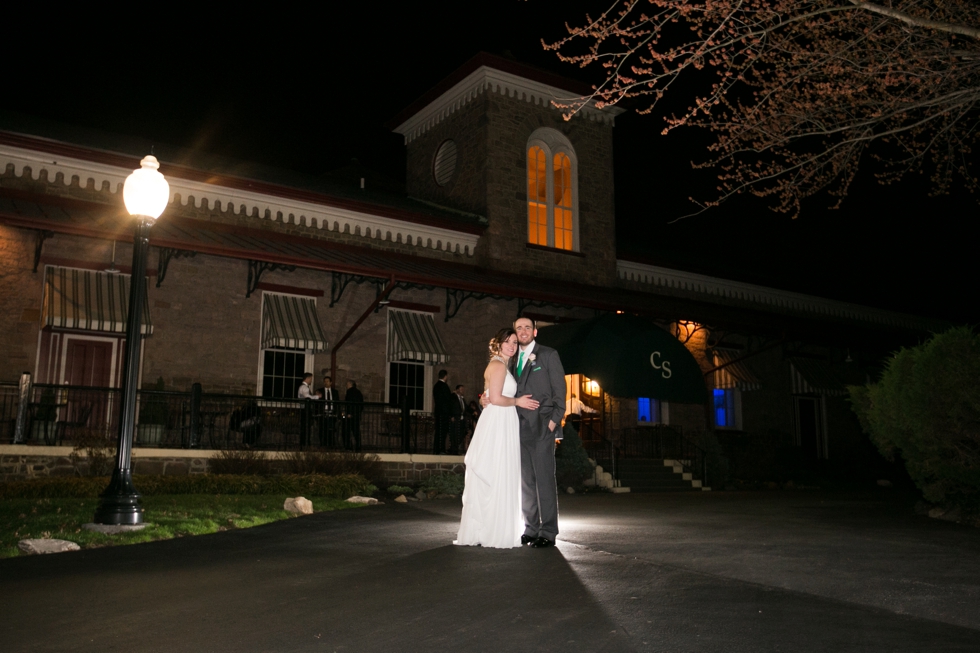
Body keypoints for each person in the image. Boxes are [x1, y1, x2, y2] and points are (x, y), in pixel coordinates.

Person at [456, 328, 539, 549]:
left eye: (514, 342)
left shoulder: (499, 365)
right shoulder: (499, 365)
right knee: (498, 470)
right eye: (508, 342)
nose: (512, 346)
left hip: (500, 419)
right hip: (500, 421)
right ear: (499, 344)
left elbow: (487, 396)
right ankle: (494, 530)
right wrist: (518, 401)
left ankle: (489, 527)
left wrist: (487, 399)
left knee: (497, 470)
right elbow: (495, 397)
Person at [513, 316, 566, 548]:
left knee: (544, 479)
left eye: (527, 327)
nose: (523, 331)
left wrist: (553, 423)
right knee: (526, 481)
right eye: (518, 328)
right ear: (515, 333)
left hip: (543, 425)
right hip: (518, 427)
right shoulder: (511, 358)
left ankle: (548, 531)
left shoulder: (548, 354)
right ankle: (531, 528)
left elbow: (559, 393)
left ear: (535, 332)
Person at [432, 369, 453, 455]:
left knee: (438, 431)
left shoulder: (436, 386)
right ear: (445, 376)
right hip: (444, 413)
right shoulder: (444, 386)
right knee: (443, 431)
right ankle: (441, 449)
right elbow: (448, 399)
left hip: (438, 411)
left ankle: (436, 449)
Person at [297, 373, 320, 447]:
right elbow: (307, 397)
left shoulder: (302, 387)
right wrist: (317, 396)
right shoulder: (304, 387)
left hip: (304, 409)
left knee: (305, 426)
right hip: (305, 410)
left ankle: (304, 443)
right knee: (306, 426)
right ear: (307, 378)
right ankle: (305, 443)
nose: (311, 381)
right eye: (311, 379)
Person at [343, 380, 364, 452]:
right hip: (357, 415)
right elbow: (361, 405)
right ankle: (358, 447)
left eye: (347, 384)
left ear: (350, 384)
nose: (346, 386)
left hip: (351, 415)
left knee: (347, 431)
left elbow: (349, 404)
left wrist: (349, 413)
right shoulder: (358, 392)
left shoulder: (350, 392)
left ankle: (349, 447)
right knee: (356, 432)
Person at [320, 375, 338, 448]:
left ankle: (331, 445)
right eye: (325, 381)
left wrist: (337, 413)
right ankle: (323, 444)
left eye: (327, 381)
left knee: (331, 429)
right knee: (322, 429)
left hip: (331, 413)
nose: (326, 383)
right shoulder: (320, 391)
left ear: (331, 382)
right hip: (323, 413)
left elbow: (337, 403)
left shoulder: (335, 392)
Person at [448, 384, 466, 455]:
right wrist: (451, 415)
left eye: (463, 389)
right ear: (457, 390)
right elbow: (450, 406)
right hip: (455, 418)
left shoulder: (462, 399)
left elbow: (465, 407)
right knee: (454, 434)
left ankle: (454, 448)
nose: (463, 391)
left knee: (461, 433)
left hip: (461, 419)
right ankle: (453, 449)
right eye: (461, 389)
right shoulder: (453, 397)